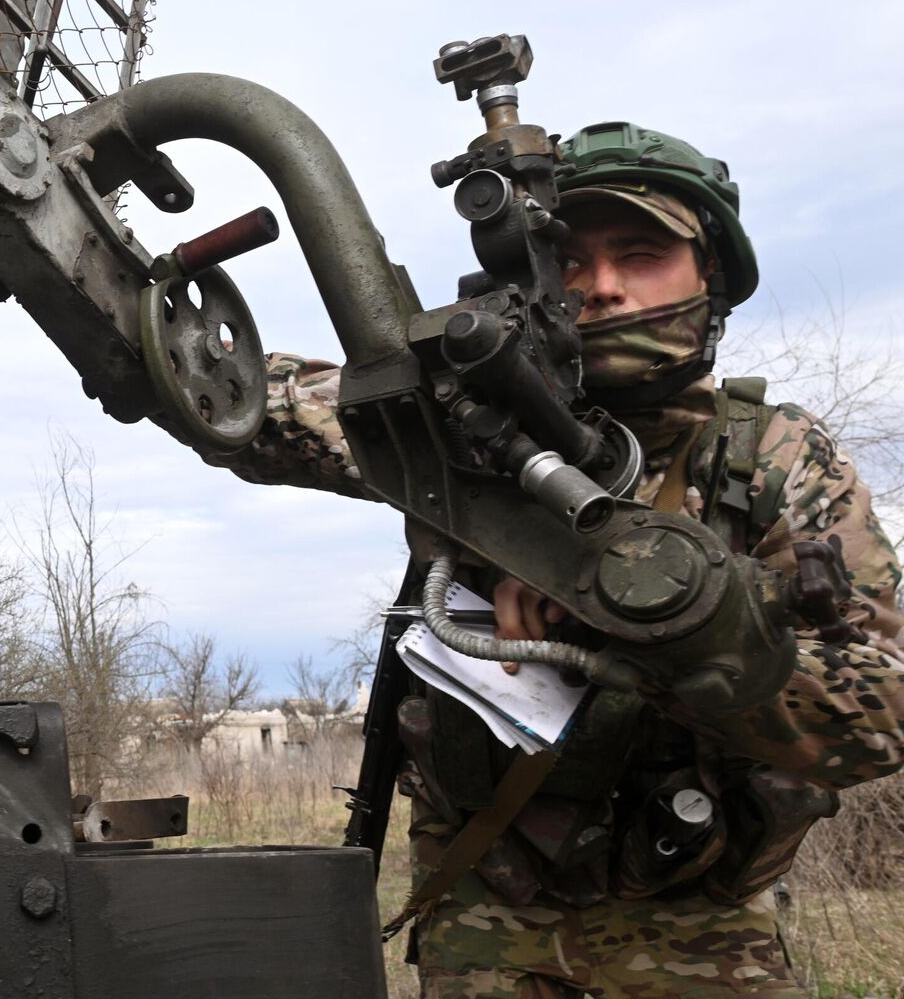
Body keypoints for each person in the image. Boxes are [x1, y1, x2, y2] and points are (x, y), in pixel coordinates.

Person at [239, 122, 903, 997]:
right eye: (572, 262)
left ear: (711, 279)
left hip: (701, 934)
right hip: (487, 921)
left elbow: (879, 713)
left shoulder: (775, 456)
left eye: (642, 254)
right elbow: (240, 402)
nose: (604, 288)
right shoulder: (460, 431)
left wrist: (655, 627)